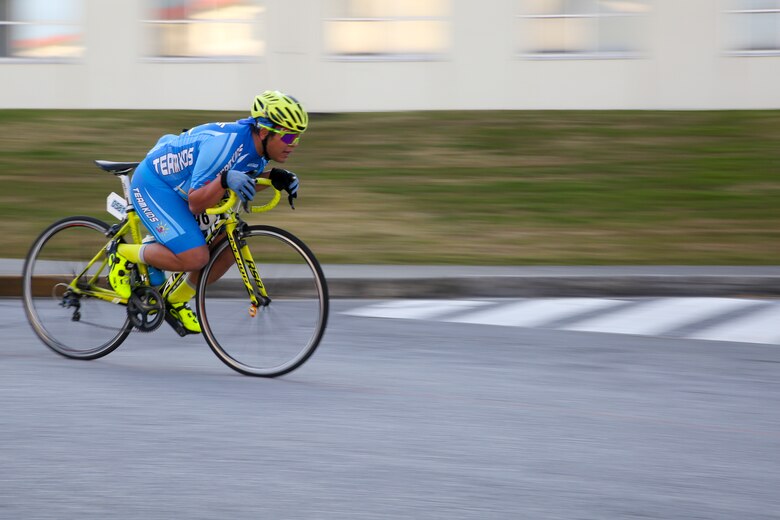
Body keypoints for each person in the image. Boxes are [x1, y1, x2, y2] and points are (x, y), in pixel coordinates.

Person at [107, 90, 306, 334]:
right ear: (265, 132)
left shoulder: (260, 150)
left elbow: (241, 182)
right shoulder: (225, 146)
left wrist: (272, 178)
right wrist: (225, 179)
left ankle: (174, 299)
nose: (293, 144)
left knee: (228, 248)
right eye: (288, 138)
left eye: (298, 137)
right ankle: (123, 254)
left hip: (182, 188)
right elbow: (197, 202)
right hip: (155, 185)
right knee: (195, 257)